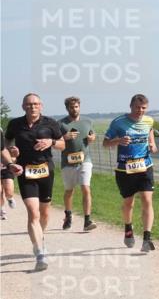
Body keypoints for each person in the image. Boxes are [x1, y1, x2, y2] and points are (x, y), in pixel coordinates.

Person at [3, 93, 67, 270]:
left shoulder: (50, 123)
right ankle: (40, 253)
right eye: (29, 104)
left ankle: (40, 237)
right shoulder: (15, 124)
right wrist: (11, 150)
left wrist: (51, 141)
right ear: (23, 106)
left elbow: (62, 144)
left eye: (36, 104)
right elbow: (7, 141)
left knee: (44, 213)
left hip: (46, 171)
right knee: (33, 213)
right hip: (25, 172)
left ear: (41, 106)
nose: (33, 107)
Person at [103, 94, 158, 252]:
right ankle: (128, 229)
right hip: (125, 169)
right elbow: (105, 143)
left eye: (143, 108)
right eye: (137, 108)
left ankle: (147, 238)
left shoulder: (148, 120)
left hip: (145, 166)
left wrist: (152, 144)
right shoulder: (118, 122)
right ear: (131, 106)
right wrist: (118, 141)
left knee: (147, 200)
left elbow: (150, 131)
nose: (140, 111)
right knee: (129, 202)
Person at [59, 96, 98, 232]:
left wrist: (92, 137)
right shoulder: (61, 124)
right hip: (67, 162)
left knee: (85, 188)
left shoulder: (88, 121)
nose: (74, 109)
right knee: (69, 191)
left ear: (79, 107)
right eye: (71, 107)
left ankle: (87, 220)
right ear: (67, 108)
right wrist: (65, 137)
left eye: (76, 106)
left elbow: (92, 135)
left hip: (85, 160)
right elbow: (55, 142)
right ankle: (68, 215)